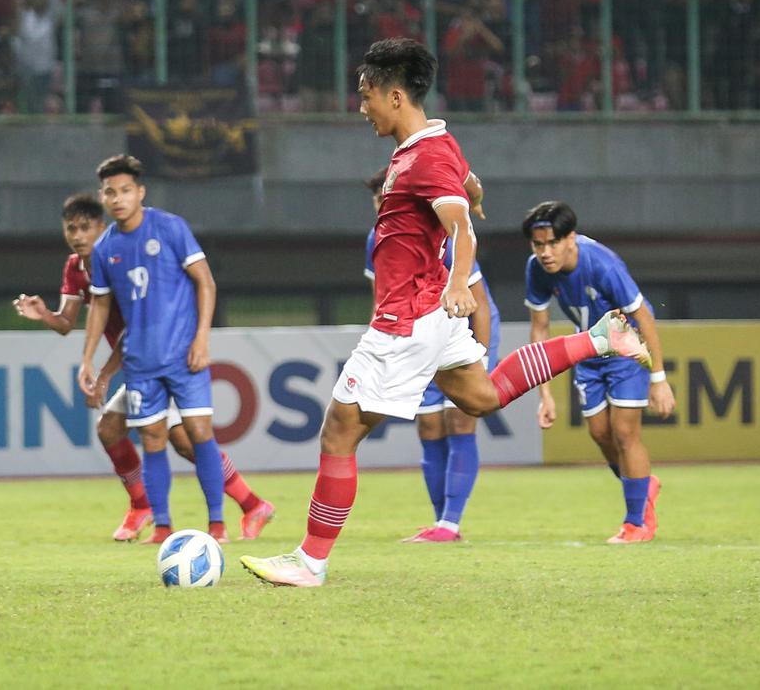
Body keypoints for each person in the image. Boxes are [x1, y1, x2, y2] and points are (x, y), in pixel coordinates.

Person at [239, 37, 650, 587]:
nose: (360, 107)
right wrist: (473, 194)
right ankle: (600, 339)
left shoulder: (424, 156)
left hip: (408, 315)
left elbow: (461, 226)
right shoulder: (437, 143)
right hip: (432, 311)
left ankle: (310, 562)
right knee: (481, 397)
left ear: (394, 95)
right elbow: (467, 187)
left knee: (338, 433)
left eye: (365, 95)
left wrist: (460, 278)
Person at [14, 194, 274, 543]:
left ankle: (243, 506)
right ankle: (156, 507)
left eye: (85, 228)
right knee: (115, 430)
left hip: (162, 357)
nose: (77, 236)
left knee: (182, 441)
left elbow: (134, 328)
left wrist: (104, 374)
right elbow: (66, 322)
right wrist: (44, 314)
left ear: (101, 228)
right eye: (71, 228)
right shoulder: (75, 268)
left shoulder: (120, 259)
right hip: (139, 364)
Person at [77, 155, 232, 546]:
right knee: (152, 438)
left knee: (199, 432)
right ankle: (163, 526)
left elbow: (206, 282)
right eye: (110, 192)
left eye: (125, 190)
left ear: (140, 192)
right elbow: (100, 305)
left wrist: (202, 338)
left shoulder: (170, 227)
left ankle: (217, 524)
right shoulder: (104, 248)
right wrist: (87, 359)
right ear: (103, 197)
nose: (118, 199)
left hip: (184, 355)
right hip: (140, 362)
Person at [523, 201, 674, 544]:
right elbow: (540, 329)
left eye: (553, 243)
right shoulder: (536, 269)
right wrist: (544, 394)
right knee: (600, 432)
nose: (545, 252)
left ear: (571, 238)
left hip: (628, 346)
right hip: (589, 349)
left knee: (624, 432)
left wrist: (658, 378)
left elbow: (644, 316)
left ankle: (637, 522)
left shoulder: (602, 264)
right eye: (538, 244)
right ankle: (643, 486)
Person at [363, 167, 500, 543]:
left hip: (464, 333)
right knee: (428, 426)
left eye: (386, 198)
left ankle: (450, 523)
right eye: (377, 201)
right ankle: (441, 523)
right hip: (420, 337)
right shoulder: (378, 238)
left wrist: (481, 358)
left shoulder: (442, 234)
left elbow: (481, 304)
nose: (382, 206)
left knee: (460, 421)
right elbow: (382, 300)